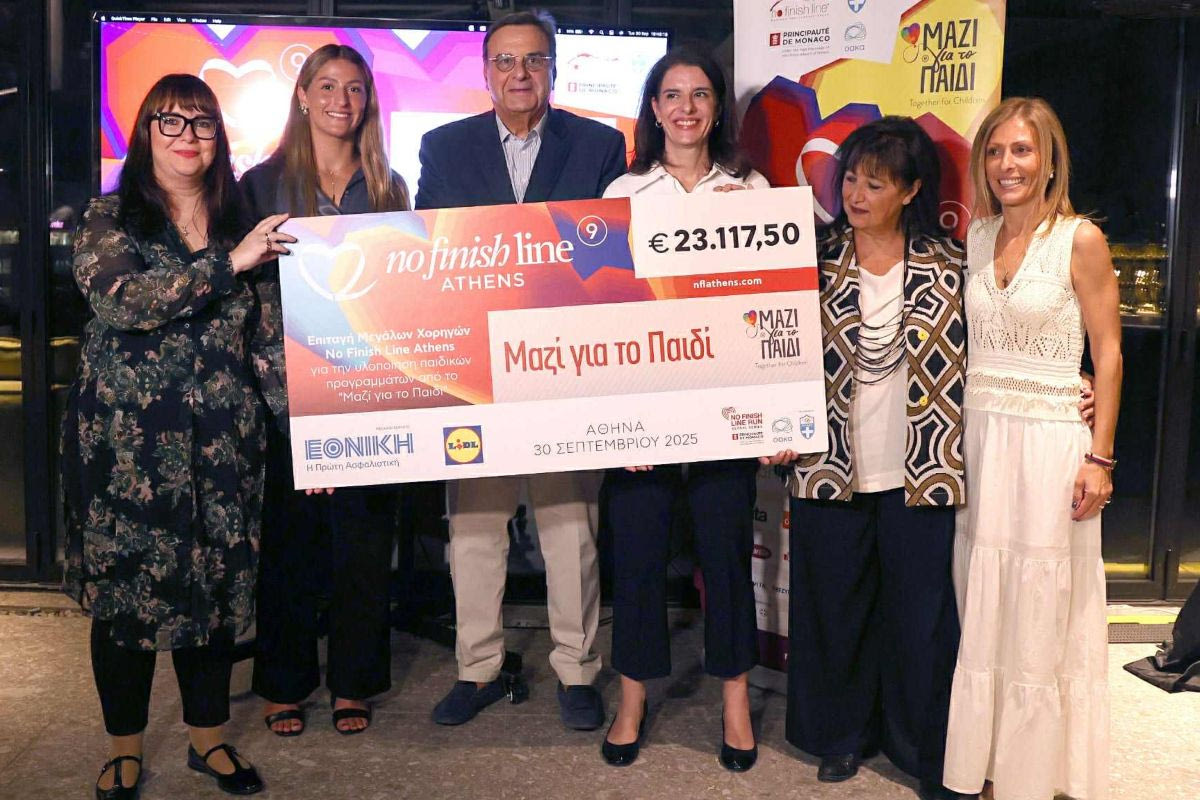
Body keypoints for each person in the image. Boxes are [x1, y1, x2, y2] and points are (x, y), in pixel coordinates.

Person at [62, 73, 293, 799]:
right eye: (171, 121)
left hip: (225, 444)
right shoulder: (108, 218)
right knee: (126, 600)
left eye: (202, 123)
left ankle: (208, 740)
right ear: (146, 133)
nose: (188, 137)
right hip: (128, 450)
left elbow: (267, 343)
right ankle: (123, 750)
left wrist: (310, 434)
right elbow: (123, 301)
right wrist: (229, 265)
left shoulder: (239, 223)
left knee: (215, 597)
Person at [415, 10, 626, 730]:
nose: (519, 74)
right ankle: (477, 668)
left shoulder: (599, 145)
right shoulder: (445, 147)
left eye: (534, 60)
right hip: (476, 374)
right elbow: (429, 251)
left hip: (564, 367)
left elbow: (611, 259)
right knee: (474, 529)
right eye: (505, 61)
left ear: (553, 69)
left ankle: (576, 669)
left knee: (571, 530)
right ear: (485, 73)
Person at [765, 116, 972, 800]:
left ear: (910, 191)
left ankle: (919, 746)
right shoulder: (811, 257)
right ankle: (841, 735)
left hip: (924, 465)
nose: (856, 194)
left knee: (921, 616)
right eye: (851, 178)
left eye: (875, 184)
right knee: (835, 608)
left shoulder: (950, 263)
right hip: (829, 463)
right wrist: (769, 422)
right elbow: (769, 348)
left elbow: (995, 345)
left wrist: (1072, 381)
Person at [943, 97, 1120, 800]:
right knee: (986, 602)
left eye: (1021, 150)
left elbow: (1108, 354)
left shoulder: (1080, 239)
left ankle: (1037, 775)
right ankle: (991, 768)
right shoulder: (977, 235)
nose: (1006, 164)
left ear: (1049, 160)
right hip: (983, 440)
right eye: (994, 151)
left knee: (1043, 608)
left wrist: (1100, 458)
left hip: (1050, 444)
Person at [597, 47, 768, 771]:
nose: (687, 108)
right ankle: (632, 699)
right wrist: (618, 427)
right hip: (644, 415)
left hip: (725, 411)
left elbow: (771, 309)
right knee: (636, 561)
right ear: (654, 108)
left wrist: (773, 415)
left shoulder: (752, 189)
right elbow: (603, 313)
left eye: (700, 94)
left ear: (718, 106)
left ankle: (735, 702)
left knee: (727, 561)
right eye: (673, 95)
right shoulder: (623, 190)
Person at [240, 43, 409, 737]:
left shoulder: (390, 186)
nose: (343, 100)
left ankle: (354, 681)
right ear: (303, 96)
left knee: (363, 542)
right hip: (284, 388)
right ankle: (284, 681)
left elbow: (402, 291)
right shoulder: (261, 185)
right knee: (290, 543)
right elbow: (245, 292)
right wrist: (286, 398)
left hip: (368, 386)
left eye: (356, 88)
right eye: (329, 86)